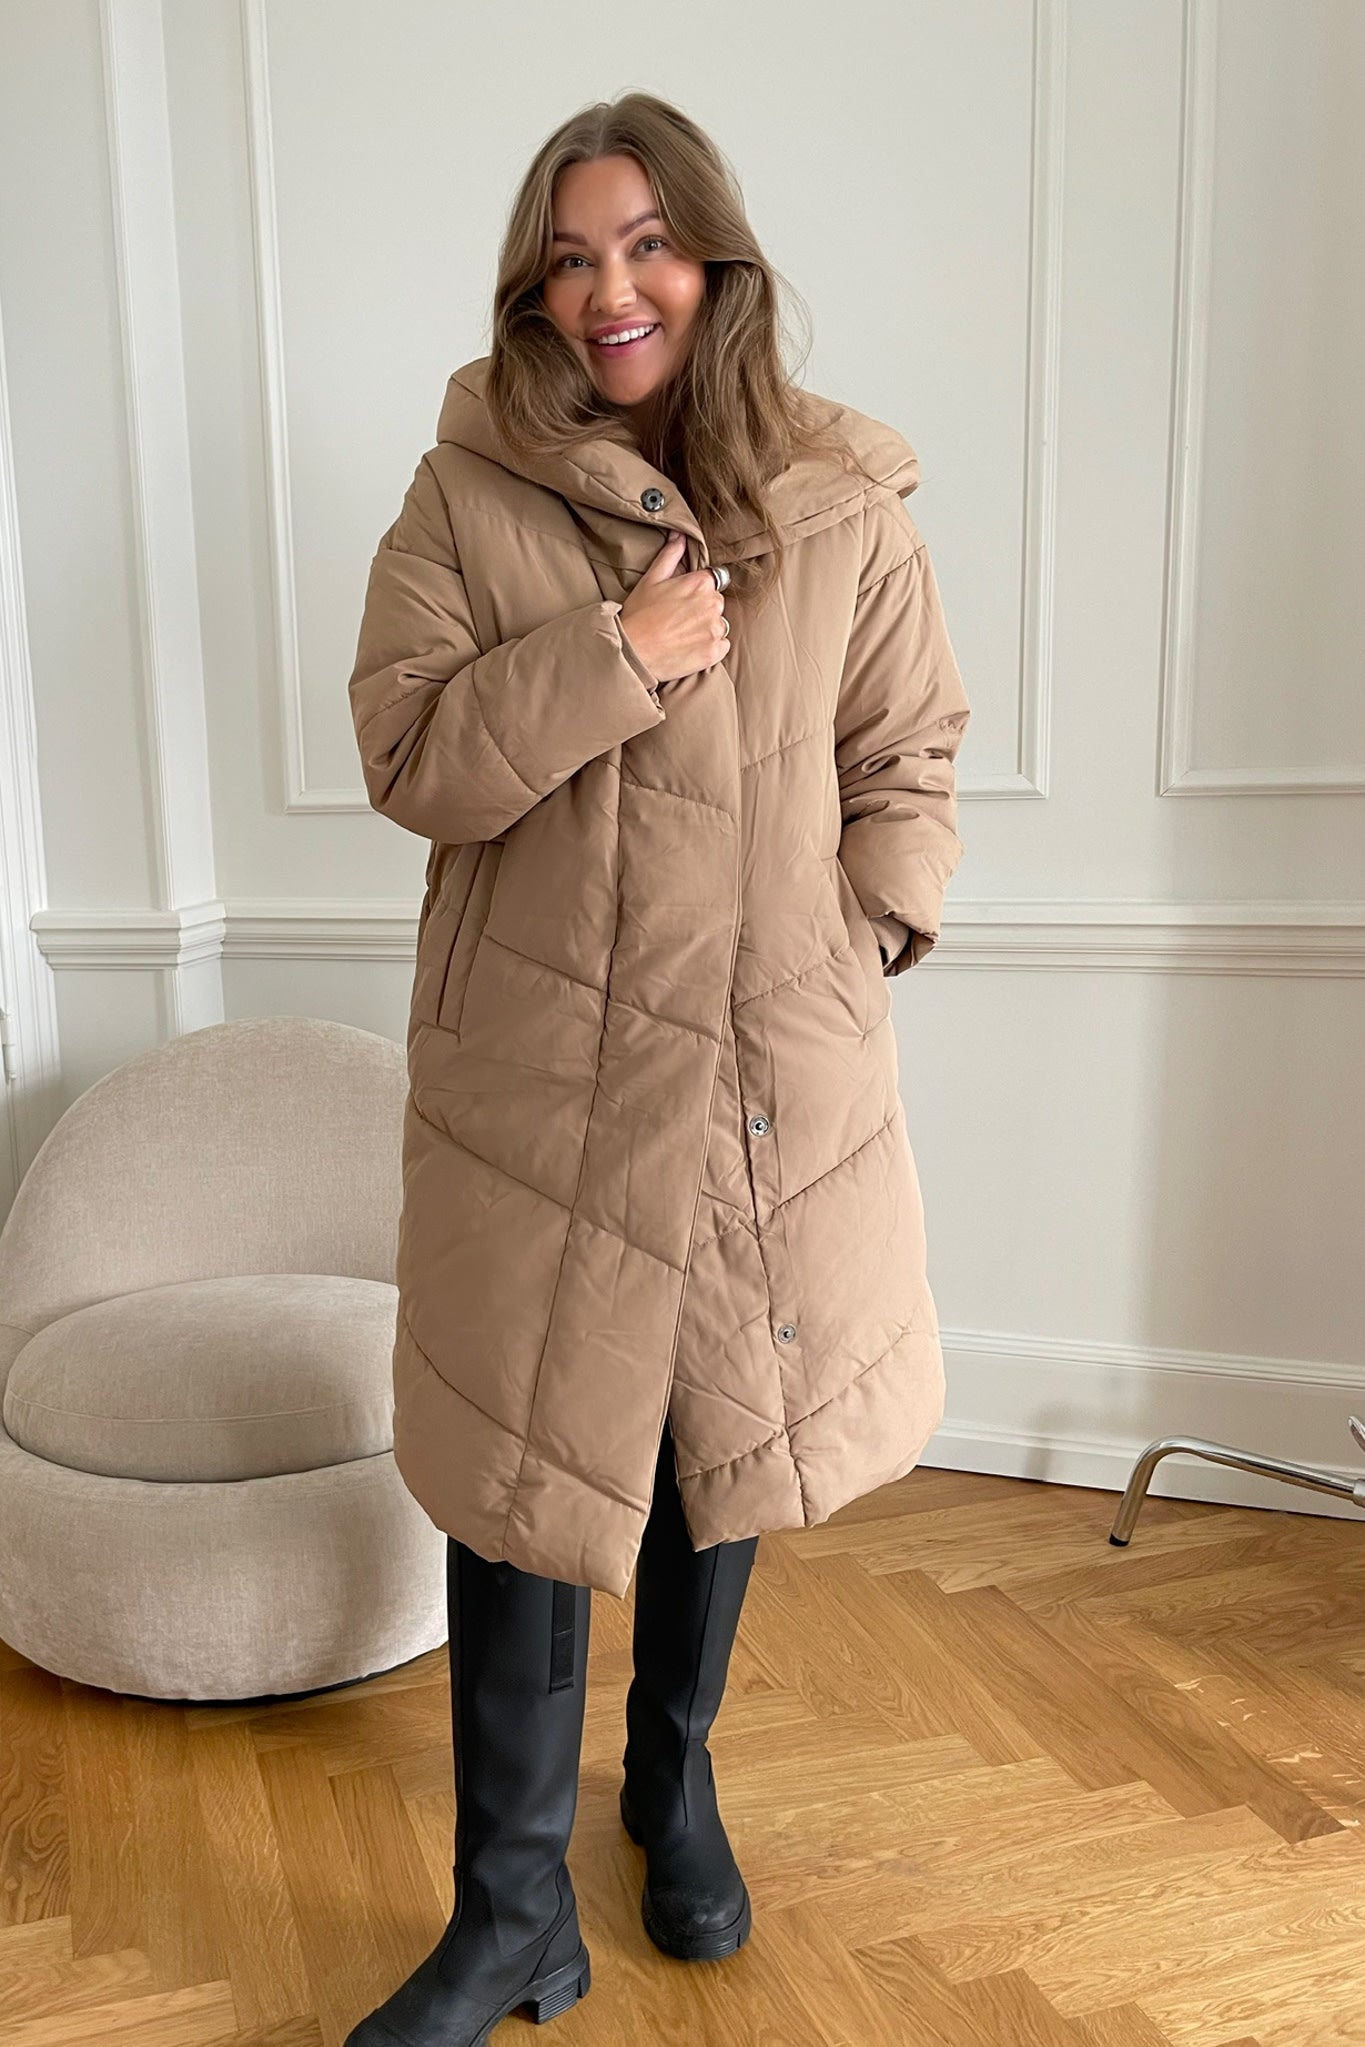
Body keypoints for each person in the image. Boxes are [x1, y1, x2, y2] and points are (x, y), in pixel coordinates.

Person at [343, 89, 970, 2047]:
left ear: (713, 260)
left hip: (763, 1057)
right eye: (570, 256)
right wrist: (617, 647)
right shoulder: (465, 490)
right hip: (541, 1068)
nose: (609, 288)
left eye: (644, 245)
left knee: (721, 1434)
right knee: (522, 1468)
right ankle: (508, 1912)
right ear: (532, 287)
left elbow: (907, 751)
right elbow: (409, 756)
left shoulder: (841, 501)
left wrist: (864, 932)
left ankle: (672, 1780)